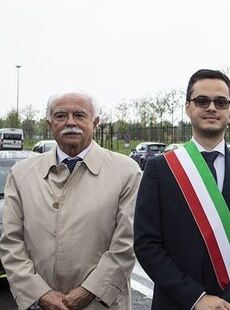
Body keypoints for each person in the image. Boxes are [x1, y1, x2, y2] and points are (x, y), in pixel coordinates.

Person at [134, 69, 230, 310]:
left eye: (221, 102)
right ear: (187, 107)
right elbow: (146, 243)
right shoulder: (160, 169)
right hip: (177, 303)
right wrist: (196, 298)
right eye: (202, 101)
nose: (212, 107)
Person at [0, 92, 141, 310]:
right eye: (61, 116)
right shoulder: (21, 174)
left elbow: (128, 242)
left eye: (79, 115)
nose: (70, 123)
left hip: (103, 304)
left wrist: (89, 291)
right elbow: (11, 242)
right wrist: (40, 293)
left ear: (95, 122)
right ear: (50, 123)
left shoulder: (126, 172)